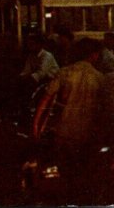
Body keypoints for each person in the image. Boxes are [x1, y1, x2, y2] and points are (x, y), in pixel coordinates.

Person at [32, 38, 105, 203]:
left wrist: (36, 125)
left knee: (64, 171)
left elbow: (45, 101)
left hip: (63, 132)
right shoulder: (100, 78)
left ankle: (65, 200)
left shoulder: (65, 72)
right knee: (83, 172)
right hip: (87, 135)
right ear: (93, 55)